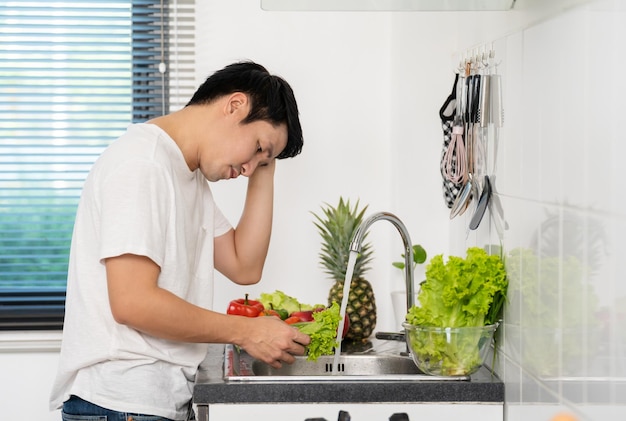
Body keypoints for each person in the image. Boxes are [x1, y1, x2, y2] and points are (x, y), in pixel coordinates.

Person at [50, 61, 310, 421]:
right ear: (235, 105)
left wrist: (266, 161)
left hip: (146, 402)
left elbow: (244, 265)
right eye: (257, 148)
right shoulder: (143, 165)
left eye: (261, 160)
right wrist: (247, 331)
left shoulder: (186, 173)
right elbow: (132, 302)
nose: (249, 167)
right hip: (123, 403)